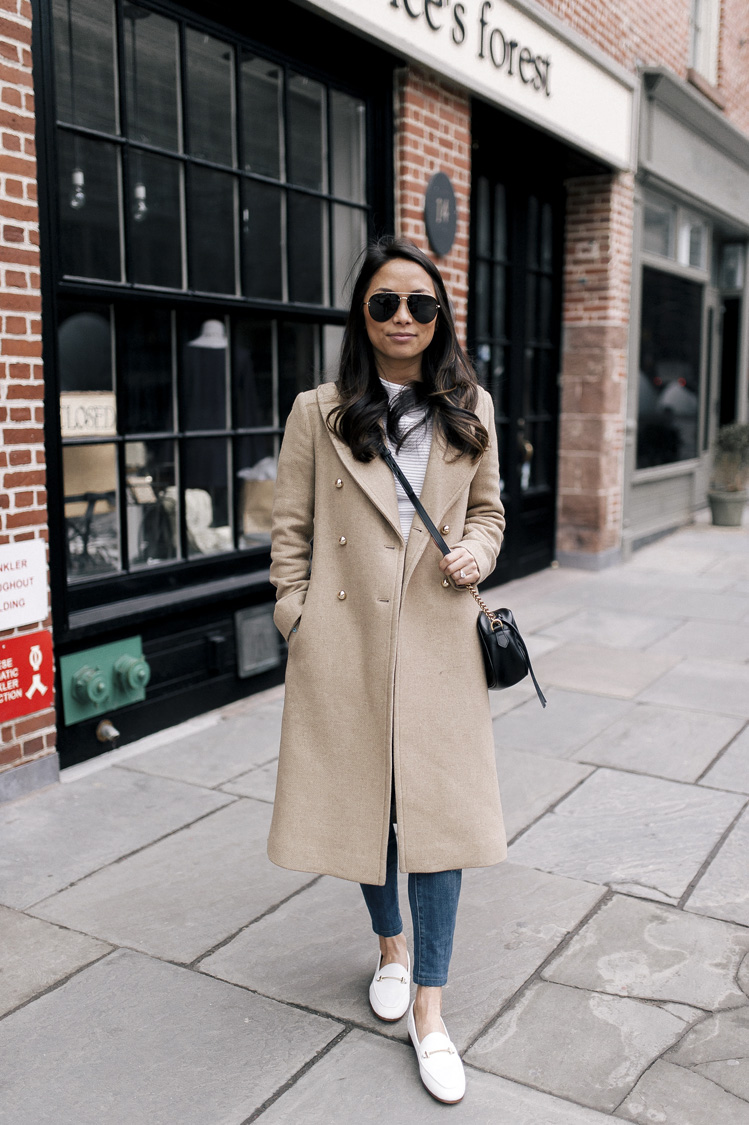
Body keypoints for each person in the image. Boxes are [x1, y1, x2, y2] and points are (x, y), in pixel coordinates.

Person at [268, 236, 506, 1104]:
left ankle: (431, 1014)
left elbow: (488, 509)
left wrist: (476, 551)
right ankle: (388, 949)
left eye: (420, 304)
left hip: (438, 638)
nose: (403, 317)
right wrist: (294, 615)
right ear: (361, 314)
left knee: (438, 825)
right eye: (384, 302)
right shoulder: (318, 410)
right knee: (370, 810)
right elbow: (288, 529)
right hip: (345, 643)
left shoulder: (467, 403)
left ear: (439, 317)